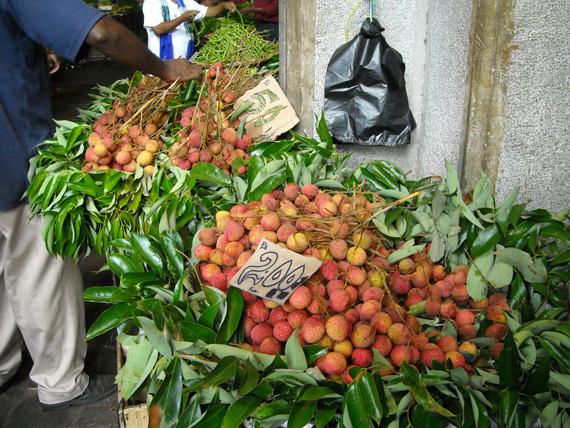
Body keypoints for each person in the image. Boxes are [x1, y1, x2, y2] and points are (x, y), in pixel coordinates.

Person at [0, 0, 202, 411]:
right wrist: (166, 69)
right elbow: (101, 32)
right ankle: (60, 382)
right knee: (41, 263)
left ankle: (3, 364)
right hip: (10, 154)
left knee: (5, 261)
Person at [143, 0, 237, 60]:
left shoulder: (185, 2)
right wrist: (182, 18)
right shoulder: (152, 2)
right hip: (162, 66)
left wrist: (223, 5)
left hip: (185, 65)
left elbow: (207, 12)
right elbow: (158, 29)